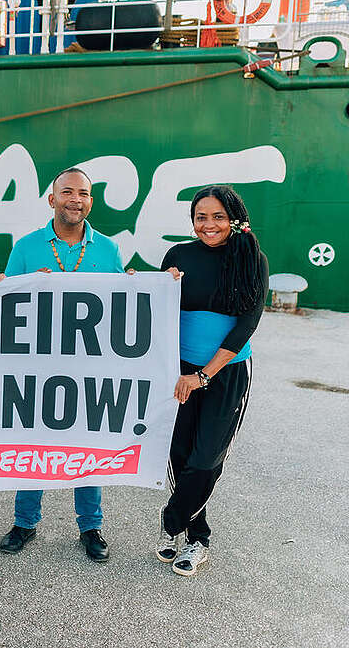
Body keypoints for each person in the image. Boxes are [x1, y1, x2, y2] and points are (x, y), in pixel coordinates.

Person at [0, 167, 127, 562]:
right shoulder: (27, 246)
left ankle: (90, 527)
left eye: (83, 193)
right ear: (51, 200)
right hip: (36, 365)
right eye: (67, 192)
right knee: (34, 441)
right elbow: (5, 304)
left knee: (86, 444)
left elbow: (123, 307)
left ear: (91, 201)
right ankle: (25, 522)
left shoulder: (108, 250)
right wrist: (6, 283)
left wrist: (141, 286)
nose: (75, 199)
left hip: (89, 365)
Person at [157, 184, 267, 576]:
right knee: (180, 455)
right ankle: (196, 537)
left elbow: (245, 327)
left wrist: (203, 376)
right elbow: (152, 309)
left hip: (226, 372)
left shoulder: (252, 259)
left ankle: (175, 518)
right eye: (201, 217)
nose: (208, 225)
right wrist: (151, 283)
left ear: (234, 219)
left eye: (218, 216)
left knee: (206, 459)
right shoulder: (179, 256)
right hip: (178, 372)